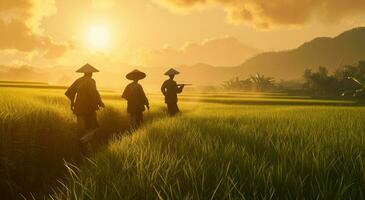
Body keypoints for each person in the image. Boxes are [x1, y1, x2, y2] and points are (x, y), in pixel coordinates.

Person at [65, 63, 105, 145]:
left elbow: (69, 92)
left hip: (78, 108)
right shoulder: (91, 81)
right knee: (94, 127)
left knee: (82, 128)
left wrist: (72, 103)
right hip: (89, 108)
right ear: (91, 73)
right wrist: (100, 103)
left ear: (84, 72)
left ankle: (83, 146)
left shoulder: (78, 80)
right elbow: (94, 93)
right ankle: (83, 141)